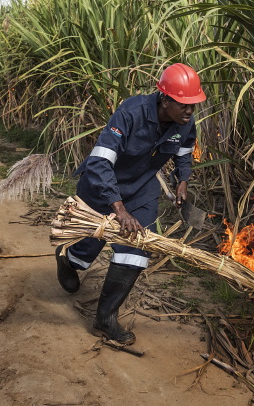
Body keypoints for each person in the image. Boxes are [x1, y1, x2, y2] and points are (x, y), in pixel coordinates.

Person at [55, 63, 206, 345]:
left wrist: (182, 181)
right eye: (184, 104)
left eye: (193, 105)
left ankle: (105, 318)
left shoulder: (185, 123)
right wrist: (119, 209)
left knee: (135, 251)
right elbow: (100, 162)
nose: (190, 111)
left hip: (141, 188)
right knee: (89, 245)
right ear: (165, 99)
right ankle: (68, 260)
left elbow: (185, 152)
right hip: (103, 184)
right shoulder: (131, 113)